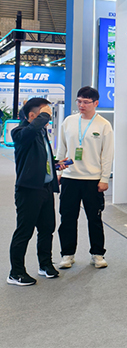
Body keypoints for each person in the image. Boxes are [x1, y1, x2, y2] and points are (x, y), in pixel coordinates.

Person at [56, 87, 114, 270]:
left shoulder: (104, 125)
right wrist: (58, 171)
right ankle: (67, 254)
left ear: (96, 103)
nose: (81, 105)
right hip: (70, 177)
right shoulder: (69, 121)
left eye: (86, 102)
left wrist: (105, 178)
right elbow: (61, 147)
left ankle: (97, 254)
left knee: (94, 219)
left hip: (93, 179)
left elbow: (107, 154)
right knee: (67, 218)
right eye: (79, 101)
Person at [8, 98, 61, 286]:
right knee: (24, 231)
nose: (48, 119)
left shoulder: (40, 132)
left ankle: (45, 264)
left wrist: (55, 164)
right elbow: (28, 134)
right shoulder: (20, 132)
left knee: (47, 228)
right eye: (44, 115)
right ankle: (16, 272)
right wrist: (45, 115)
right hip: (28, 190)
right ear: (32, 116)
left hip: (45, 188)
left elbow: (40, 156)